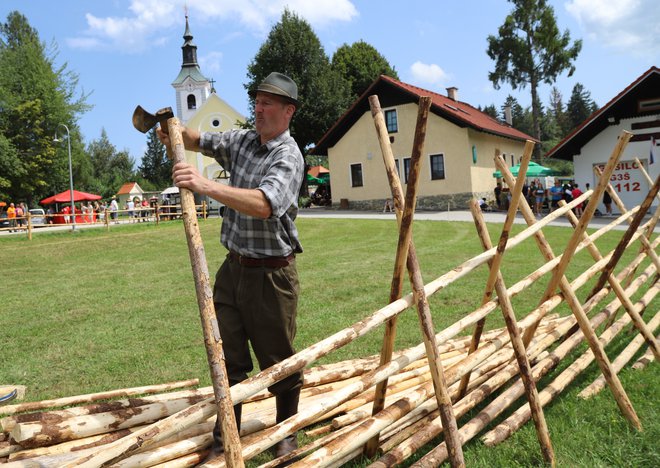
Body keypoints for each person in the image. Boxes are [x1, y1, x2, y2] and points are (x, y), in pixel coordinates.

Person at [157, 72, 304, 462]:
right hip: (232, 270)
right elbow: (199, 140)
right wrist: (172, 131)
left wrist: (204, 186)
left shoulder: (288, 156)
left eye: (267, 103)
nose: (258, 108)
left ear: (288, 112)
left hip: (271, 276)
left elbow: (264, 203)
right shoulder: (242, 141)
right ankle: (226, 434)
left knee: (278, 360)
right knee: (228, 356)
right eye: (256, 101)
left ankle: (286, 431)